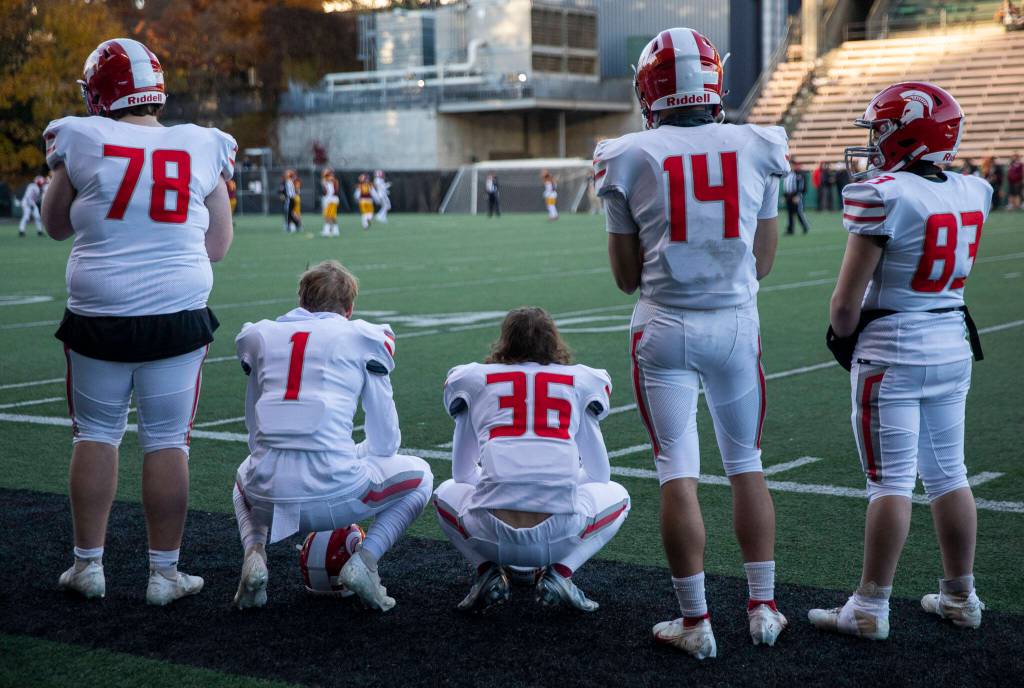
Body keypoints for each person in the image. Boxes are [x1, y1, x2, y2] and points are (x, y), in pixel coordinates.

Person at [594, 27, 788, 659]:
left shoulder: (626, 154)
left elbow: (625, 279)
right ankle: (762, 608)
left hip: (665, 329)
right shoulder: (759, 143)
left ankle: (696, 621)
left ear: (649, 90)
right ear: (714, 83)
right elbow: (762, 262)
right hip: (735, 325)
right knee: (747, 465)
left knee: (678, 472)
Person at [40, 38, 235, 606]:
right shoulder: (203, 144)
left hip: (99, 311)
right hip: (176, 312)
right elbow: (218, 245)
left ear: (99, 92)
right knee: (169, 441)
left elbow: (54, 226)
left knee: (96, 436)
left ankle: (88, 566)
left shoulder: (79, 136)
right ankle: (164, 574)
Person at [812, 81, 990, 640]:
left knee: (888, 483)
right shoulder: (973, 190)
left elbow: (845, 305)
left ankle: (869, 606)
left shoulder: (884, 194)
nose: (873, 141)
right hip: (951, 342)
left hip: (893, 348)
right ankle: (960, 595)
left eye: (879, 129)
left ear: (906, 133)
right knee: (949, 474)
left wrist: (842, 337)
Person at [231, 260, 433, 612]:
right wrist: (356, 453)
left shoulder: (261, 335)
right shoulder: (361, 337)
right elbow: (386, 443)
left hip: (266, 497)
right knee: (422, 477)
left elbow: (255, 432)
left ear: (301, 300)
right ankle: (364, 562)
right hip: (336, 492)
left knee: (242, 476)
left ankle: (254, 552)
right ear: (349, 309)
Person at [433, 307, 629, 613]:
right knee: (619, 496)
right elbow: (600, 474)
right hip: (560, 534)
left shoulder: (475, 380)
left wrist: (501, 482)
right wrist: (555, 480)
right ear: (553, 341)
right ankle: (562, 574)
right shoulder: (579, 381)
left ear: (504, 342)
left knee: (444, 492)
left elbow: (461, 474)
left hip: (490, 533)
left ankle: (486, 572)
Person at [783, 159, 810, 233]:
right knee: (789, 213)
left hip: (796, 195)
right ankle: (790, 229)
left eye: (791, 165)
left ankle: (805, 226)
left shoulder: (799, 174)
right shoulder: (787, 174)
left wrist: (798, 195)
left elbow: (802, 187)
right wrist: (784, 196)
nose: (790, 166)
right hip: (788, 195)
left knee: (799, 212)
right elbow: (786, 186)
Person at [320, 168, 340, 237]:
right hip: (331, 199)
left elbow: (330, 191)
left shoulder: (330, 179)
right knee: (331, 216)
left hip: (331, 199)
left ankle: (327, 231)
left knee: (328, 216)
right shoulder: (329, 179)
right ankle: (335, 230)